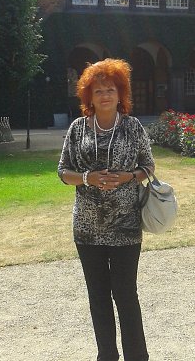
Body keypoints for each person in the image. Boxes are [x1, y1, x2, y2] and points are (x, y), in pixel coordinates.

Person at [58, 58, 154, 361]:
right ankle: (106, 356)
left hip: (126, 224)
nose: (105, 95)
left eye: (110, 89)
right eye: (98, 90)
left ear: (120, 93)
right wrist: (88, 177)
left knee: (125, 295)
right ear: (89, 95)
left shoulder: (132, 127)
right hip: (87, 227)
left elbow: (148, 167)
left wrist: (128, 176)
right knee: (98, 297)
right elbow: (63, 172)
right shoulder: (77, 129)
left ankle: (137, 357)